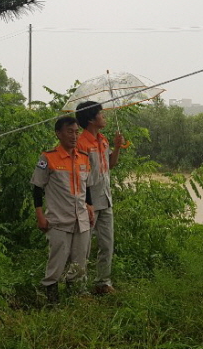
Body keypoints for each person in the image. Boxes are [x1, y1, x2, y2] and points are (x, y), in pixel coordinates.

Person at [30, 116, 94, 304]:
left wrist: (90, 206)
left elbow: (87, 186)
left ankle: (75, 294)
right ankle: (51, 297)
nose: (74, 136)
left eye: (76, 132)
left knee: (80, 260)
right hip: (58, 220)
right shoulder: (48, 158)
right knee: (57, 260)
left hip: (81, 219)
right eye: (69, 132)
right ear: (58, 133)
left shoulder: (83, 157)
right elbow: (37, 188)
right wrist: (40, 215)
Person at [75, 101, 124, 295]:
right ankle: (79, 287)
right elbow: (80, 177)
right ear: (90, 119)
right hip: (88, 202)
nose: (104, 117)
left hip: (106, 199)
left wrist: (117, 147)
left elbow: (111, 165)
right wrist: (86, 203)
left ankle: (103, 282)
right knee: (83, 247)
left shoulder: (103, 140)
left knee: (107, 243)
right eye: (101, 114)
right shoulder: (81, 143)